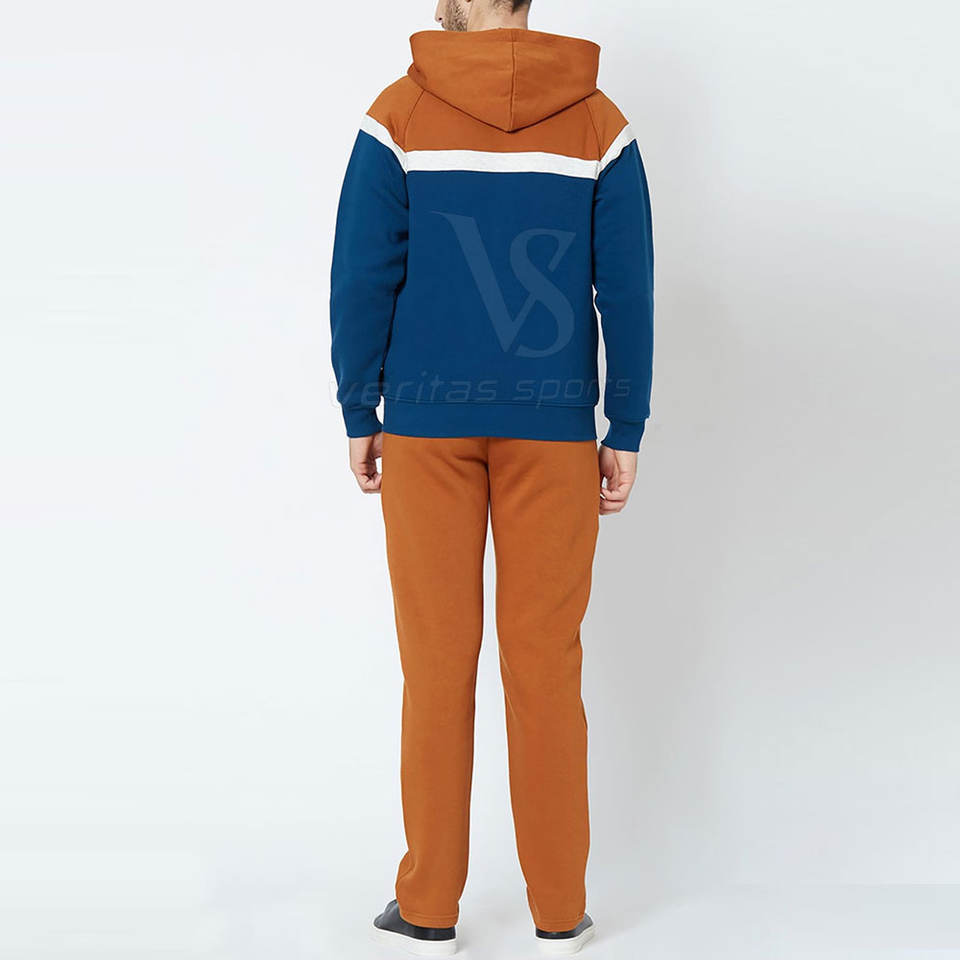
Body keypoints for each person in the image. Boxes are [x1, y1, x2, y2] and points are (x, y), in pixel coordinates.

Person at [330, 0, 653, 954]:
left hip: (425, 423)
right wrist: (625, 422)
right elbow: (626, 283)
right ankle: (560, 909)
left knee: (436, 664)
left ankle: (429, 905)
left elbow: (362, 272)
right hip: (554, 429)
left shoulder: (399, 113)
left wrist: (359, 407)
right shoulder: (598, 122)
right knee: (545, 664)